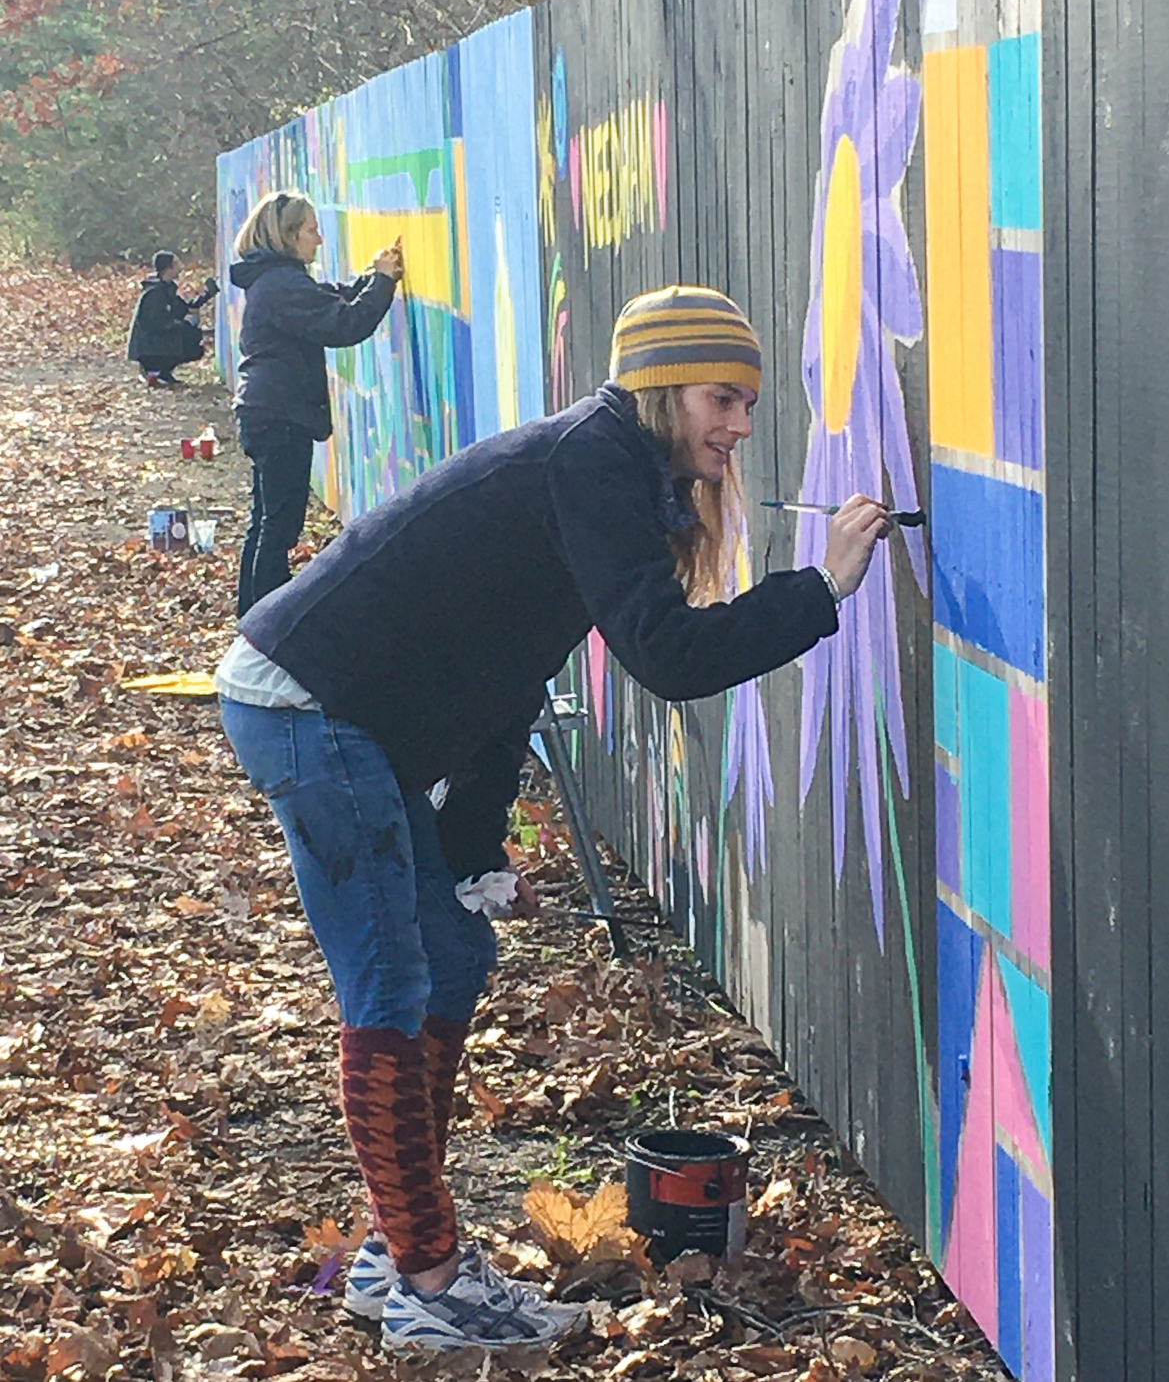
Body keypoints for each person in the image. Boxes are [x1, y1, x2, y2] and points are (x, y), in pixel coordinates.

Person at [215, 284, 892, 1355]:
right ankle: (429, 1279)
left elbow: (507, 657)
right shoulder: (595, 462)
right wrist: (822, 590)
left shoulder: (617, 467)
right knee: (392, 979)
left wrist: (470, 846)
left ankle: (401, 1255)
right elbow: (666, 657)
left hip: (350, 704)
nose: (740, 427)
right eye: (724, 398)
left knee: (450, 949)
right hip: (309, 701)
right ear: (664, 388)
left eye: (748, 404)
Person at [229, 190, 404, 617]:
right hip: (279, 415)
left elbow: (331, 298)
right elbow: (344, 323)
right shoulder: (282, 284)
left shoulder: (276, 281)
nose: (319, 240)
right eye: (311, 230)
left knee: (268, 521)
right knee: (280, 528)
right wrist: (382, 282)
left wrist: (372, 277)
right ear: (288, 236)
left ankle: (252, 619)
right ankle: (267, 623)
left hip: (268, 412)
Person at [126, 250, 218, 386]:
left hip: (156, 342)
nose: (181, 267)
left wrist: (207, 293)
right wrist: (182, 326)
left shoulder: (167, 289)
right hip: (148, 347)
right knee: (189, 338)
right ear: (169, 267)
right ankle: (154, 371)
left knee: (194, 342)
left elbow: (187, 308)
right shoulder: (154, 293)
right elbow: (154, 325)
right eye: (177, 263)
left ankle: (162, 371)